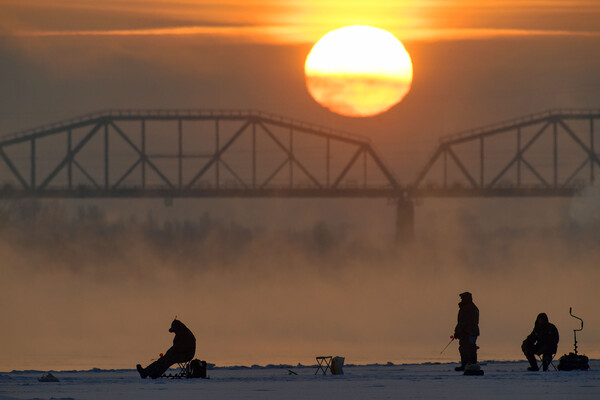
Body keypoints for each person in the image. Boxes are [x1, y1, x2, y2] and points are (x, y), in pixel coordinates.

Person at [453, 291, 480, 371]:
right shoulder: (473, 307)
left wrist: (457, 332)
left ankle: (467, 365)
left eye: (462, 298)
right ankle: (471, 364)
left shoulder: (466, 308)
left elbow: (463, 322)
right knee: (471, 348)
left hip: (467, 331)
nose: (461, 300)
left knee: (465, 348)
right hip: (473, 331)